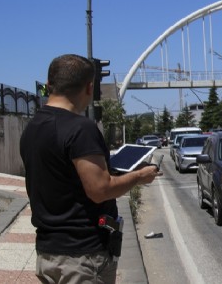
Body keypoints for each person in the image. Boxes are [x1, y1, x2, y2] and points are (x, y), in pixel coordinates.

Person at [20, 54, 161, 284]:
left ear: (48, 86)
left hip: (48, 251)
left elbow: (62, 178)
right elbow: (100, 190)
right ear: (89, 87)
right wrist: (138, 176)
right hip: (82, 256)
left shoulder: (32, 127)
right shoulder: (80, 129)